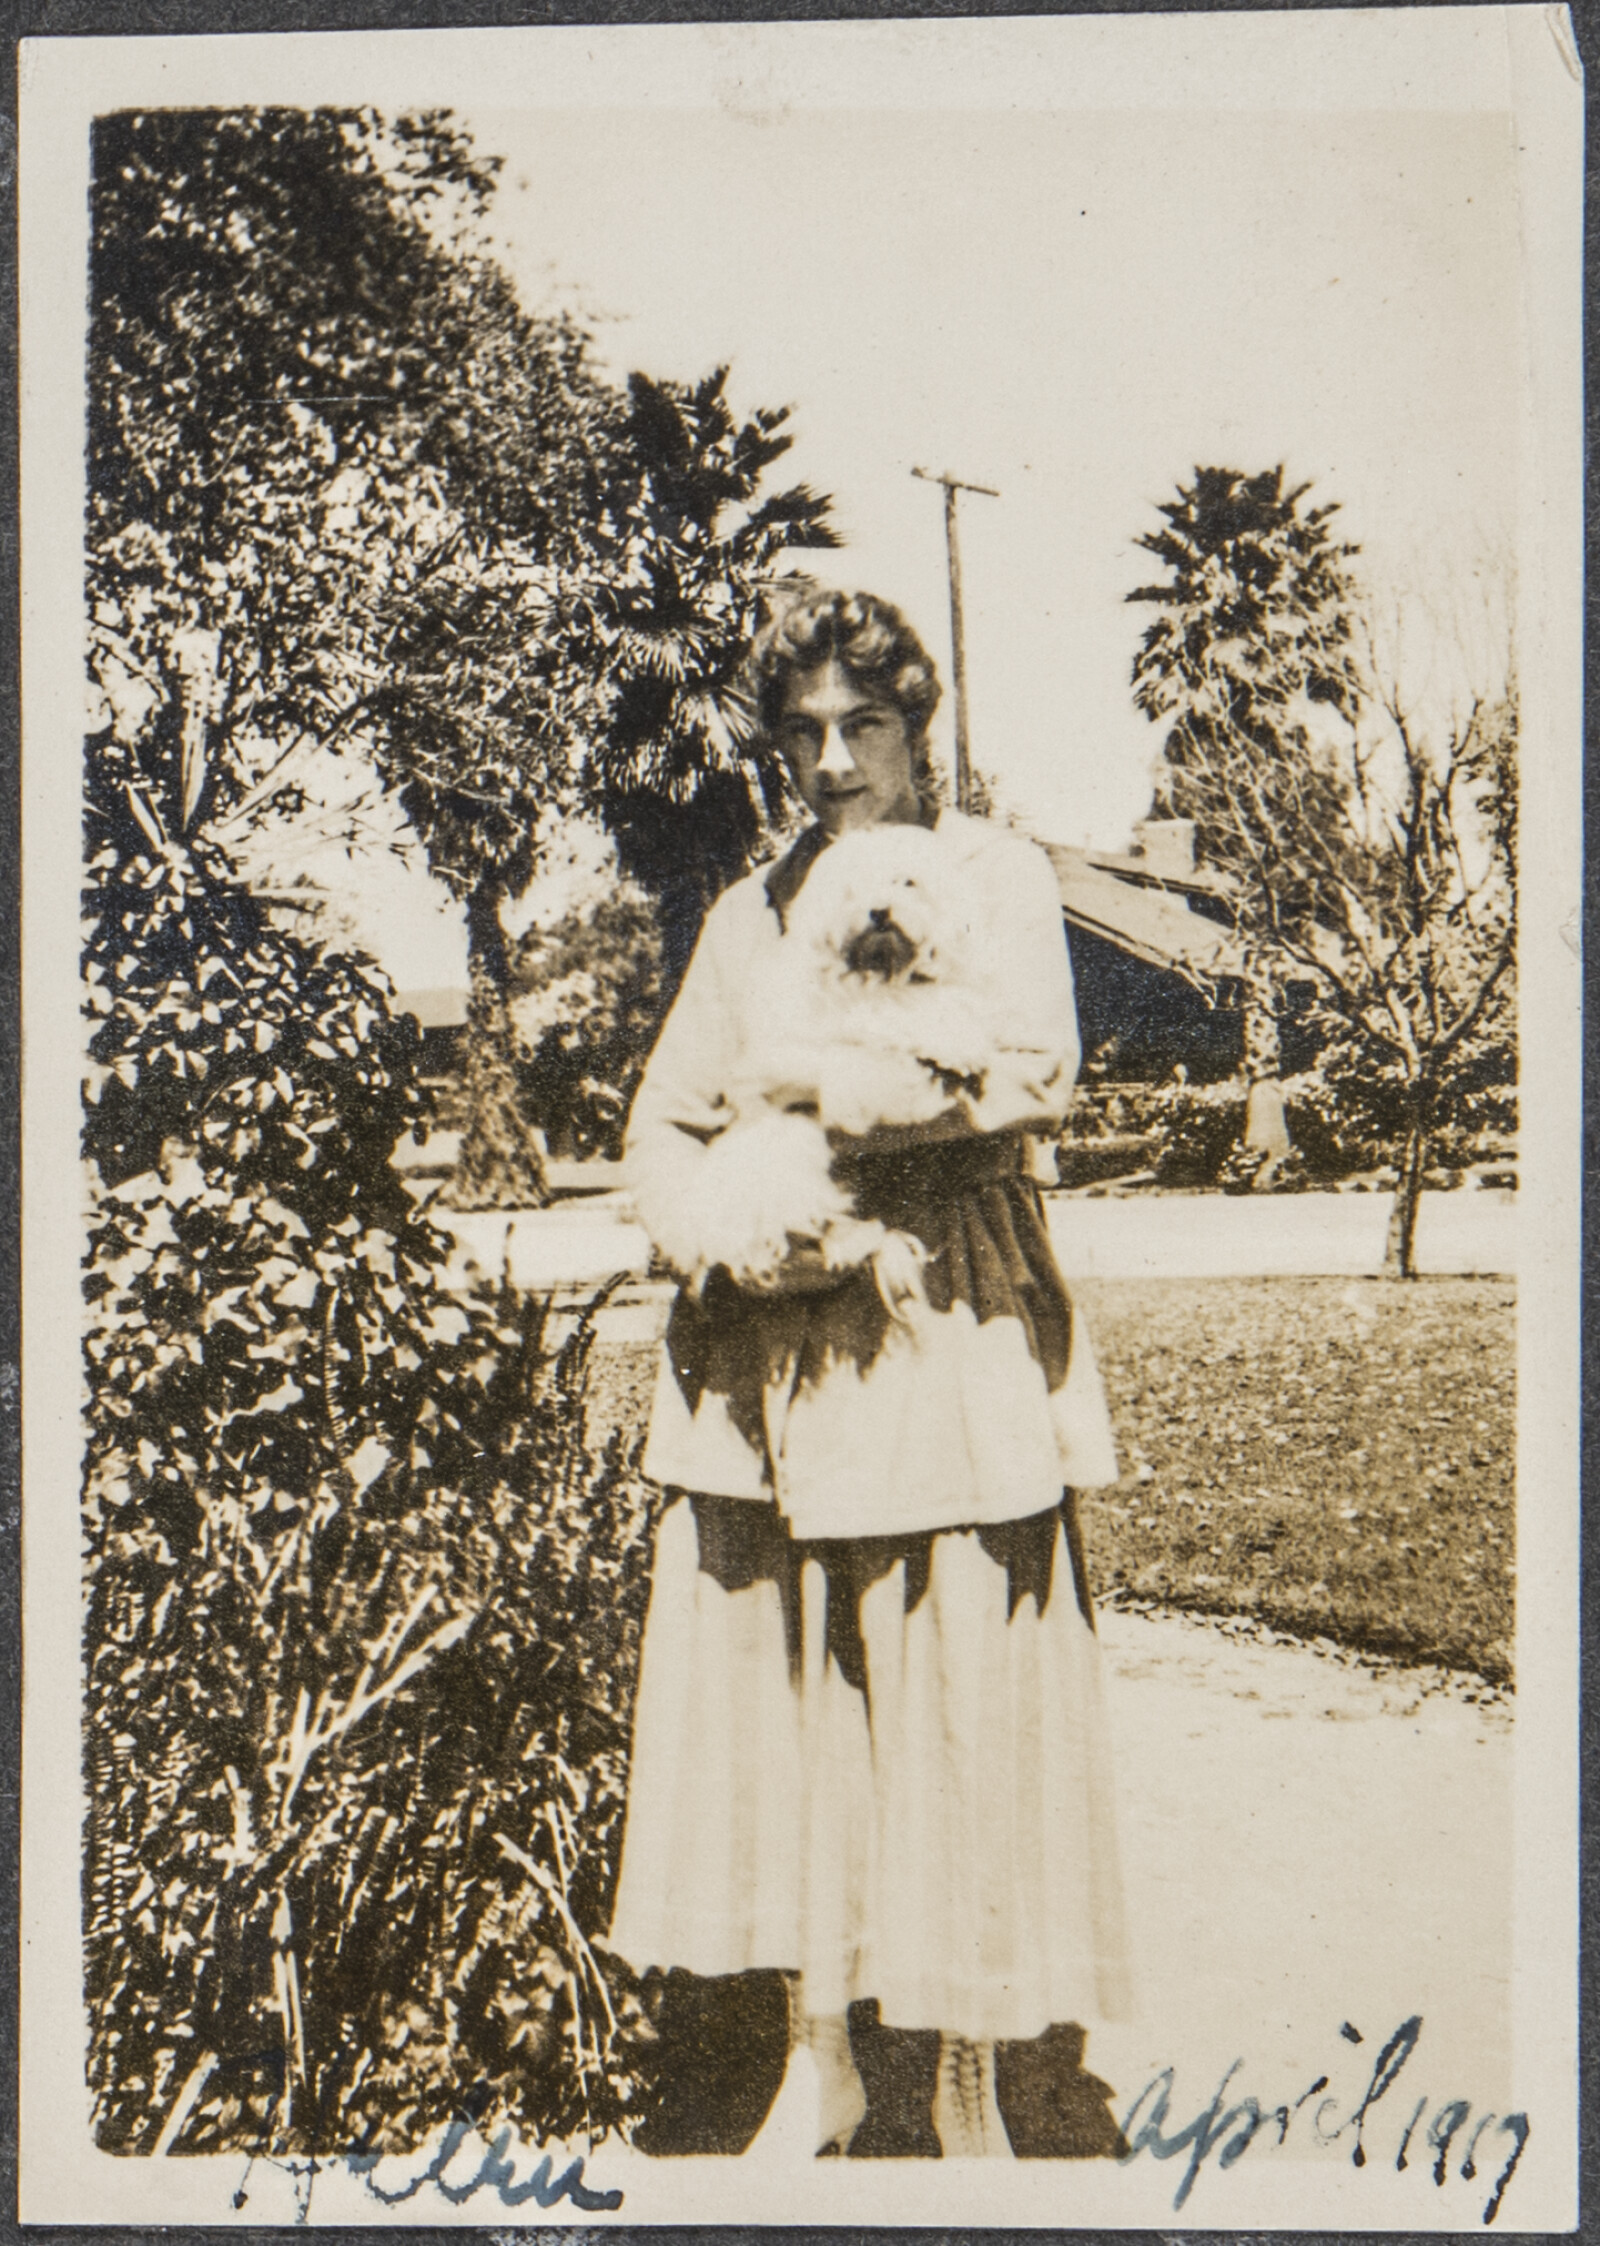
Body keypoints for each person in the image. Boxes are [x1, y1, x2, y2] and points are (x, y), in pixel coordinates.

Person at [608, 588, 1130, 2160]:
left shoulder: (994, 875)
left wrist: (808, 1083)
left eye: (866, 728)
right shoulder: (749, 910)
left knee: (955, 1681)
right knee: (801, 1697)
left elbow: (1032, 1070)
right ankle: (816, 2052)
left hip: (946, 1322)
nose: (832, 764)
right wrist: (729, 1239)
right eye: (803, 735)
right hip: (774, 1332)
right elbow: (661, 1124)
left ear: (920, 728)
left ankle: (967, 2066)